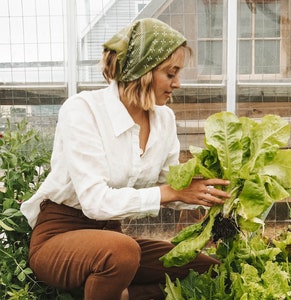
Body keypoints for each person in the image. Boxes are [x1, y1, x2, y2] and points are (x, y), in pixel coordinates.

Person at [21, 18, 230, 300]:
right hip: (59, 236)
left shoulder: (164, 119)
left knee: (209, 271)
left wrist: (208, 191)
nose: (178, 84)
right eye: (171, 73)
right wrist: (170, 192)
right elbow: (96, 202)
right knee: (121, 251)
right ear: (143, 70)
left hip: (113, 241)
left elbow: (173, 186)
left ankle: (118, 293)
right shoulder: (83, 111)